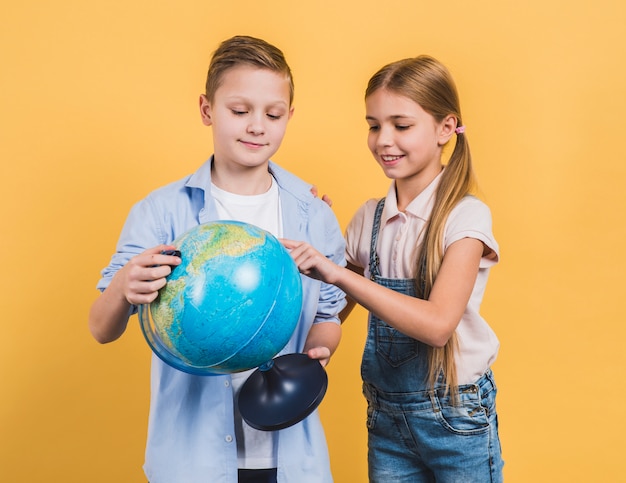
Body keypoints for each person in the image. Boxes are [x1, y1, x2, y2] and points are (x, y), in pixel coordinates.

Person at [88, 35, 346, 483]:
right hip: (192, 461)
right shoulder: (161, 211)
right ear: (208, 109)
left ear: (289, 116)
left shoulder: (314, 215)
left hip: (290, 459)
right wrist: (124, 285)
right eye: (239, 111)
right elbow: (101, 328)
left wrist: (316, 353)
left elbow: (328, 315)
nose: (257, 127)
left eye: (273, 114)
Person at [283, 55, 504, 482]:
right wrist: (310, 226)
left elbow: (438, 324)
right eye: (374, 125)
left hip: (457, 419)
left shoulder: (466, 217)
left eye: (401, 126)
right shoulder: (368, 218)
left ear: (445, 129)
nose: (384, 139)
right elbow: (327, 309)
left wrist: (342, 273)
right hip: (386, 418)